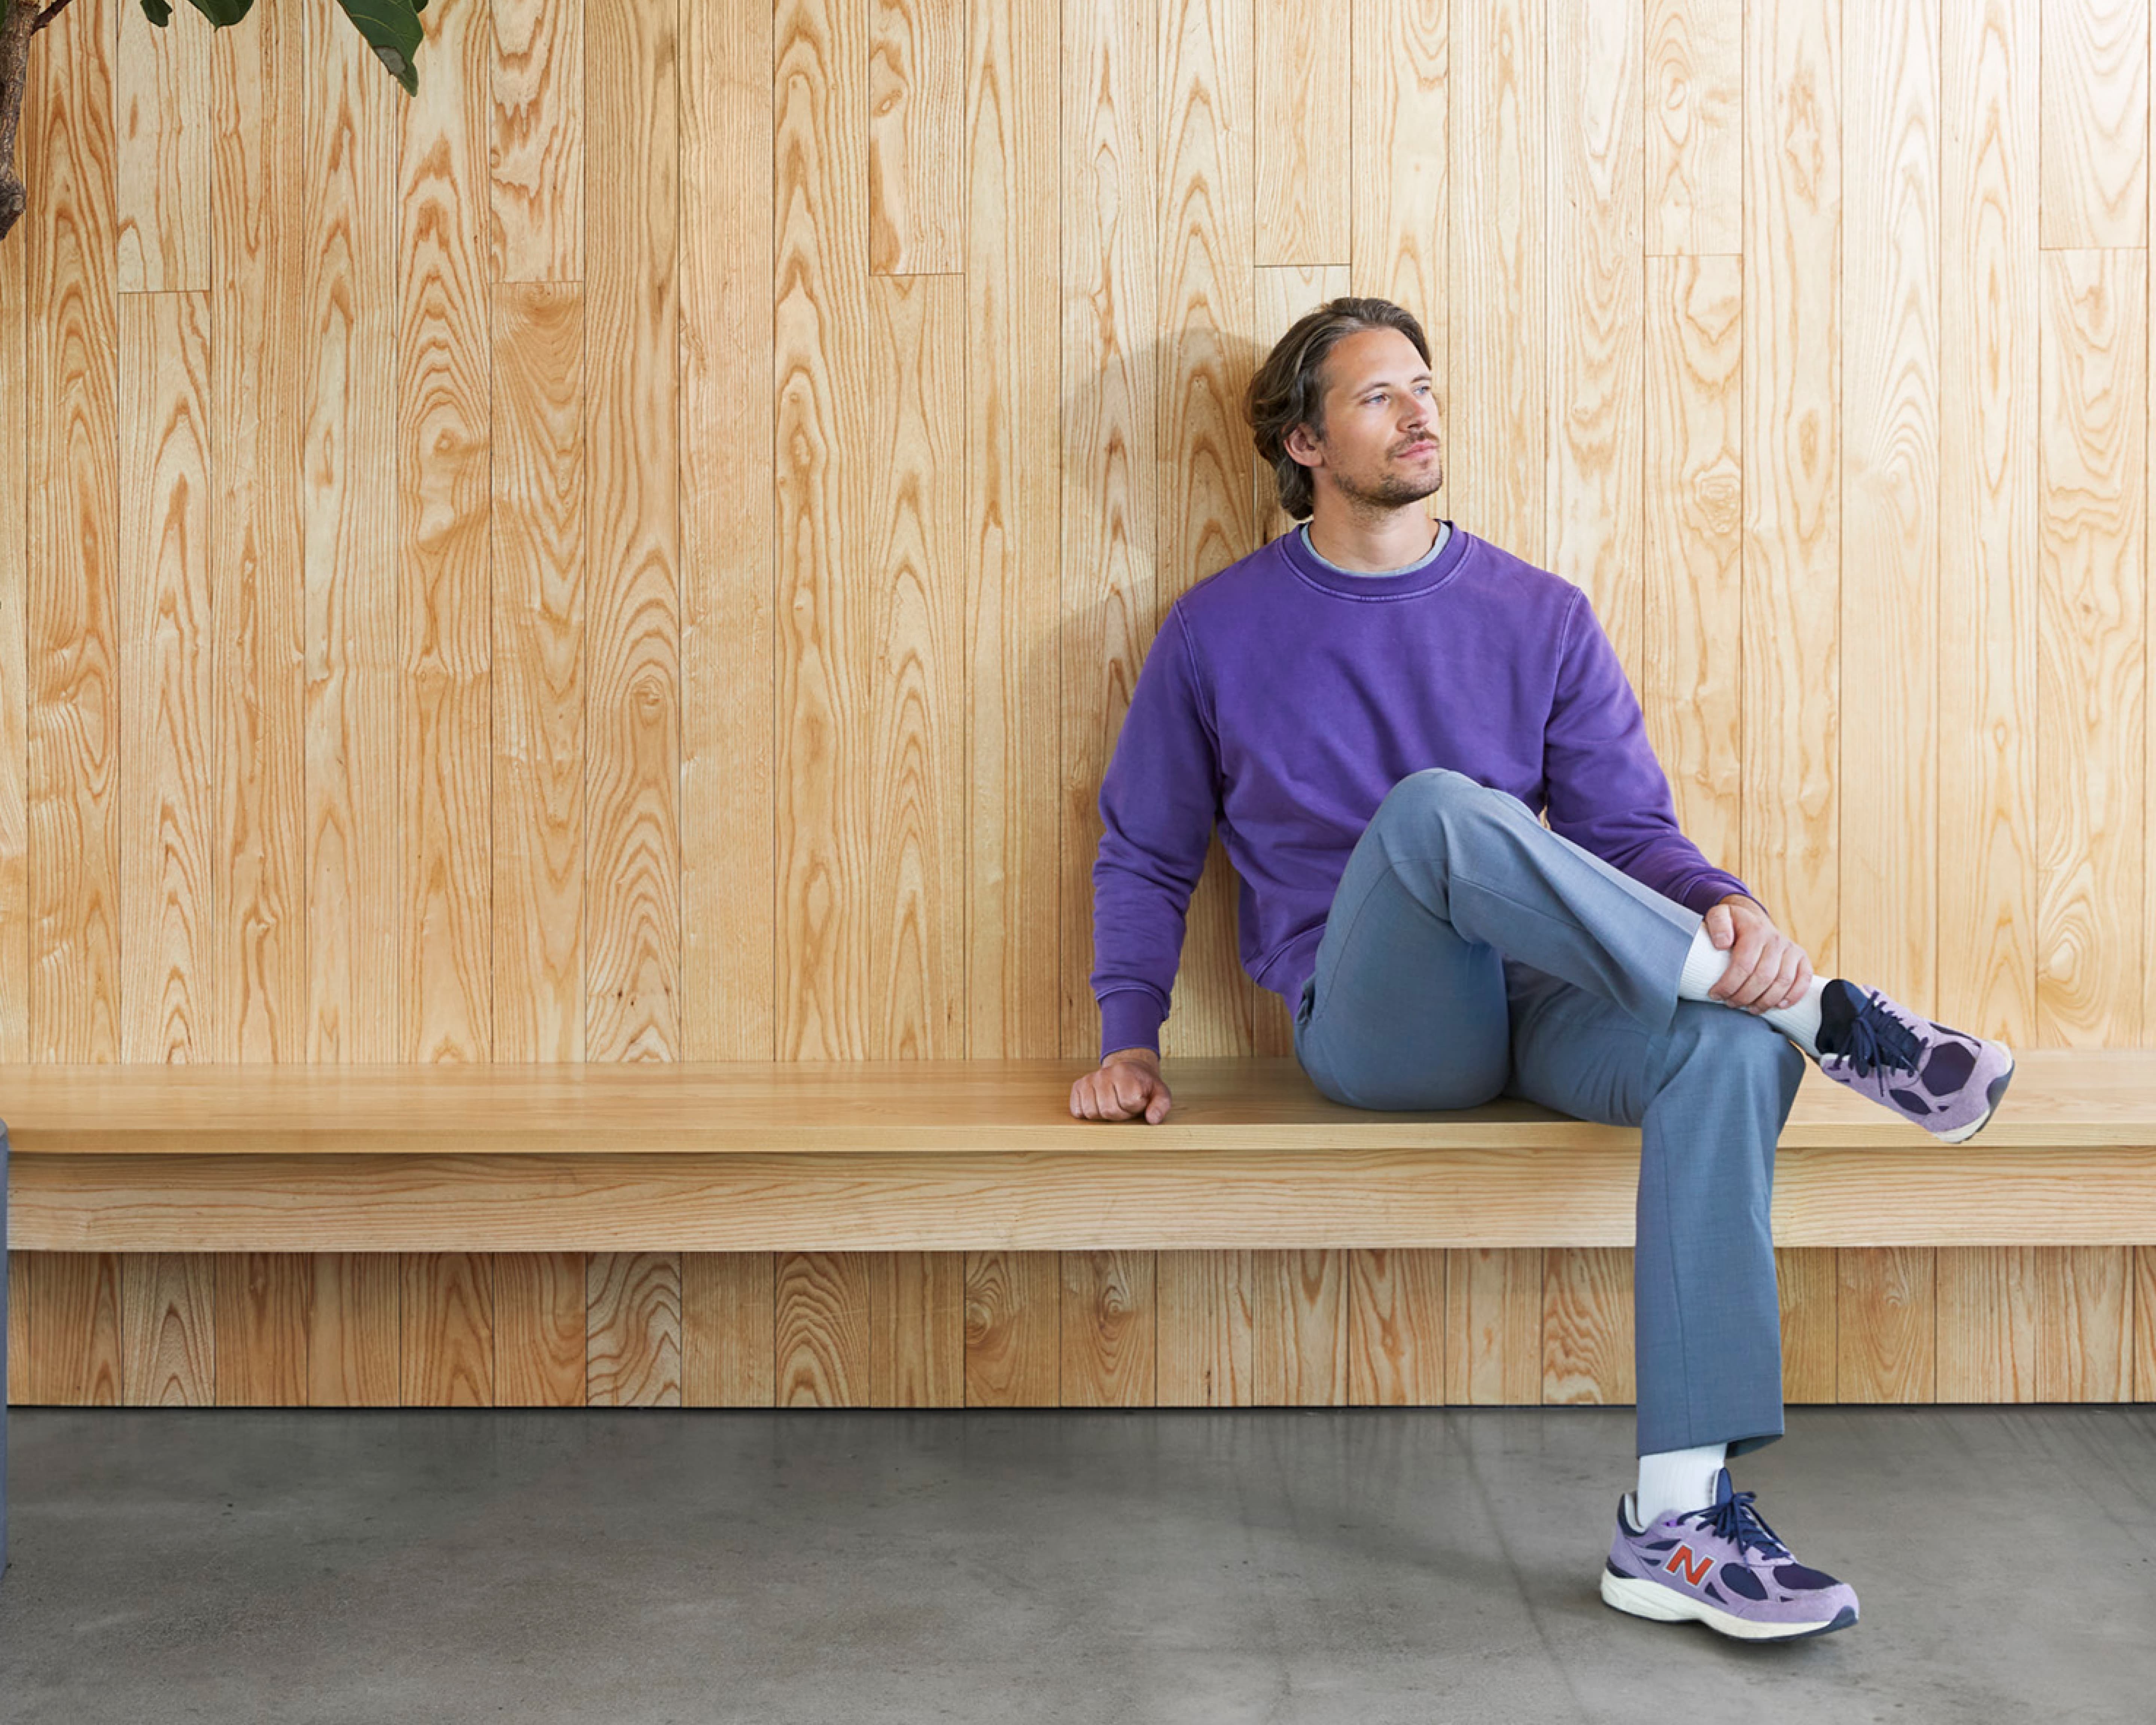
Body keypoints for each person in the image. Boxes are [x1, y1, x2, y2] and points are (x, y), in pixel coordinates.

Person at [1067, 297, 2015, 1643]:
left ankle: (1678, 1514)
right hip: (1380, 1029)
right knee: (1441, 810)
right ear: (1304, 444)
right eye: (1379, 395)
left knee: (1733, 1049)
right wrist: (1129, 1038)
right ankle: (1832, 1021)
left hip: (1550, 1010)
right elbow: (1146, 850)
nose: (1420, 411)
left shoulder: (1539, 612)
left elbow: (1629, 830)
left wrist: (1730, 909)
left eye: (1426, 385)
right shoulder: (1218, 631)